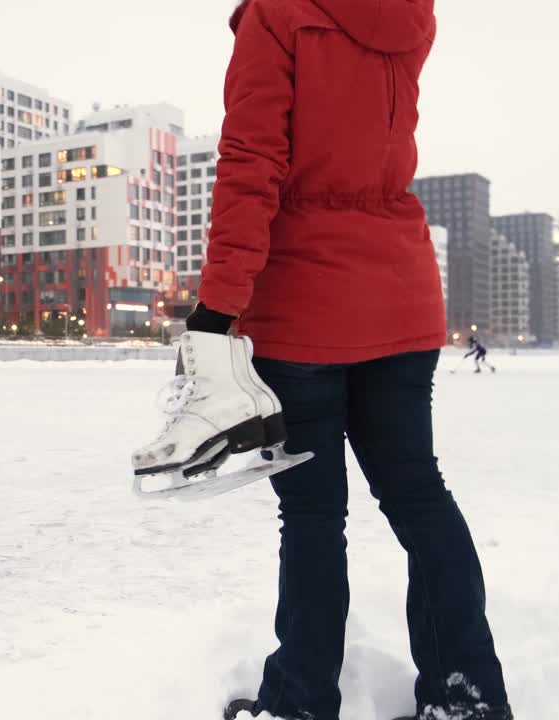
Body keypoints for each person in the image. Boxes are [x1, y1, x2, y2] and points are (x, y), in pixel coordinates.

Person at [132, 2, 512, 719]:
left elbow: (252, 163)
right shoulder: (407, 14)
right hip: (401, 292)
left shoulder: (279, 14)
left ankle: (301, 702)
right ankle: (467, 695)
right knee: (419, 497)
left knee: (312, 517)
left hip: (306, 300)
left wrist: (217, 308)